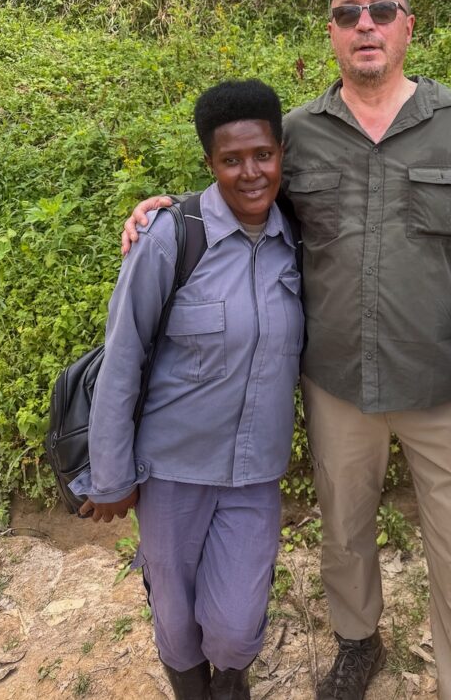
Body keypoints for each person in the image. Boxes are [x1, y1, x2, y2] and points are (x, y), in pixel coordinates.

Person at [123, 0, 451, 700]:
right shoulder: (299, 132)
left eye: (381, 9)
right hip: (337, 380)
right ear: (332, 34)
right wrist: (168, 210)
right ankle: (358, 641)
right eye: (349, 14)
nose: (366, 24)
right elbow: (244, 195)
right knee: (345, 533)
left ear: (408, 25)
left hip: (442, 381)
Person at [73, 80, 304, 700]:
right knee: (176, 628)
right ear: (210, 164)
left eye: (263, 155)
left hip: (254, 473)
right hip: (172, 470)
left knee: (232, 628)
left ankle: (230, 682)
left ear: (282, 152)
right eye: (231, 160)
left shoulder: (302, 239)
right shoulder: (170, 238)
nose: (250, 172)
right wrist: (111, 478)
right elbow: (122, 361)